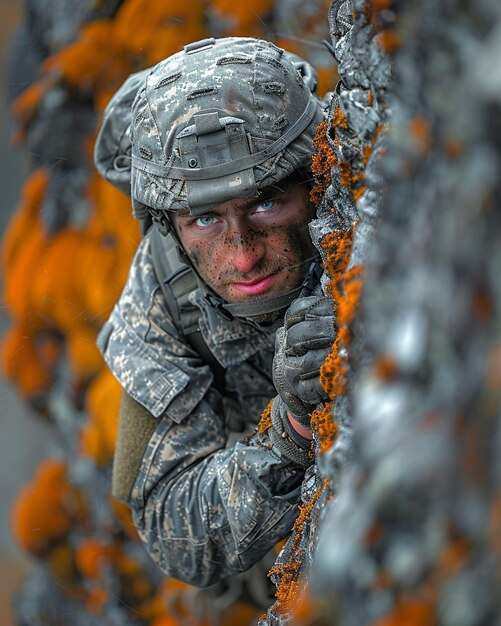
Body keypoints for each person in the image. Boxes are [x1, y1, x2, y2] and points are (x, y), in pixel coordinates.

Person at [94, 36, 336, 591]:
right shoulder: (161, 299)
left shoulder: (361, 205)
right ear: (169, 227)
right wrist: (291, 429)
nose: (244, 253)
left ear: (316, 181)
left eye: (268, 203)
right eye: (205, 219)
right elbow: (169, 524)